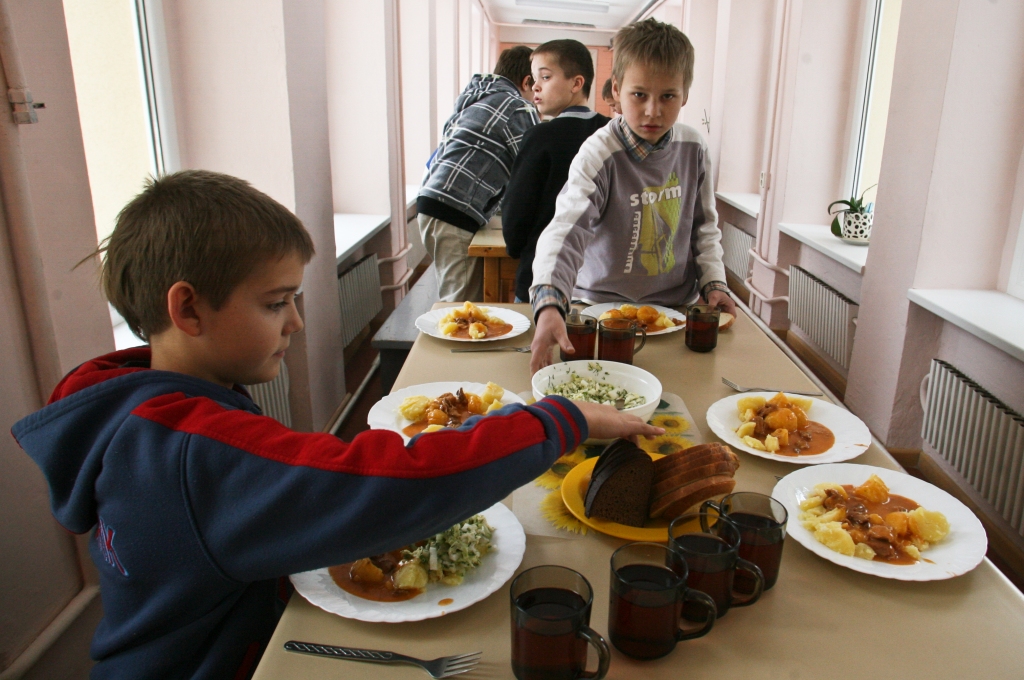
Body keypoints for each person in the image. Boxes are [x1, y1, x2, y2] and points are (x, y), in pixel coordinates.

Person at [12, 171, 661, 679]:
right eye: (276, 303)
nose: (296, 322)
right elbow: (383, 483)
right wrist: (560, 419)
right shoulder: (189, 454)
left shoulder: (139, 406)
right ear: (188, 310)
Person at [529, 19, 737, 374]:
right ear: (616, 91)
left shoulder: (694, 147)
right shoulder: (599, 152)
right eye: (639, 95)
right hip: (599, 311)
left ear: (685, 94)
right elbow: (566, 230)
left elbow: (704, 229)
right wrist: (550, 304)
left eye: (668, 96)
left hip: (673, 313)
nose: (653, 110)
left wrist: (715, 284)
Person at [417, 45, 539, 302]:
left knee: (459, 296)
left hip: (431, 206)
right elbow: (533, 167)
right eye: (539, 83)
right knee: (462, 307)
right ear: (526, 81)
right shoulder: (517, 107)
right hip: (454, 213)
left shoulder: (476, 98)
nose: (538, 93)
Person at [502, 39, 610, 303]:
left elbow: (516, 216)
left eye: (546, 77)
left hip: (541, 277)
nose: (535, 86)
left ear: (576, 83)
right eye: (534, 78)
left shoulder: (539, 137)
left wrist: (516, 248)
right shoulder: (610, 134)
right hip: (598, 281)